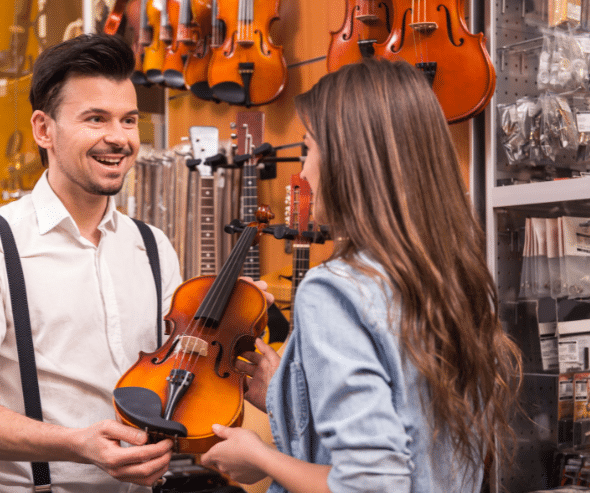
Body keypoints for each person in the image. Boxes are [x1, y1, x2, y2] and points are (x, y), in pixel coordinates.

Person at [201, 58, 523, 493]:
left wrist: (260, 457)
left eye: (308, 149)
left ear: (351, 163)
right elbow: (416, 433)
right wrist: (287, 393)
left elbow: (371, 485)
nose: (303, 174)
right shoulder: (460, 282)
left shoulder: (334, 291)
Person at [0, 34, 180, 492]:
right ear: (44, 129)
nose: (119, 139)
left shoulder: (154, 246)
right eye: (95, 119)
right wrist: (77, 443)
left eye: (129, 120)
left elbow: (178, 379)